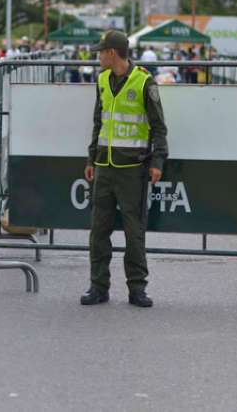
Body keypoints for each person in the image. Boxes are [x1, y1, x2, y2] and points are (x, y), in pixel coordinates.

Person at [82, 30, 168, 308]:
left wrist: (157, 162)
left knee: (134, 232)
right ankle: (98, 287)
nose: (98, 56)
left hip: (132, 169)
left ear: (112, 53)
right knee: (98, 231)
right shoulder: (102, 80)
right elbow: (99, 123)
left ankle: (137, 288)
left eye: (101, 51)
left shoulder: (143, 81)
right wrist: (90, 159)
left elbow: (158, 127)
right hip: (104, 168)